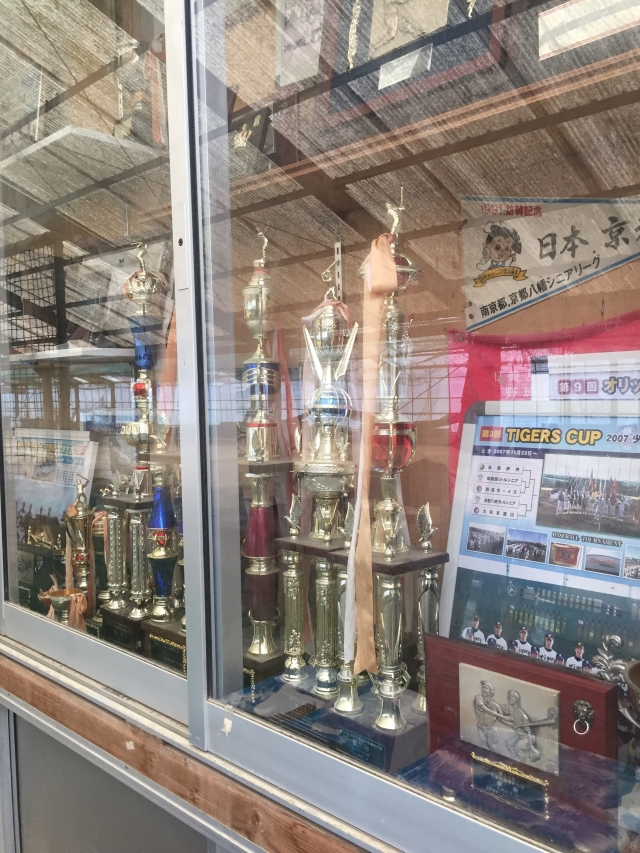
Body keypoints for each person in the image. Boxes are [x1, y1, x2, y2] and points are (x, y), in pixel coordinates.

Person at [473, 680, 502, 750]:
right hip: (480, 727)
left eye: (486, 688)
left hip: (491, 729)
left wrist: (512, 723)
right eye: (483, 687)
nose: (483, 689)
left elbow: (501, 720)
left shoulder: (496, 706)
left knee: (493, 747)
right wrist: (504, 717)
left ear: (491, 691)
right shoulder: (478, 698)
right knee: (484, 746)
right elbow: (485, 709)